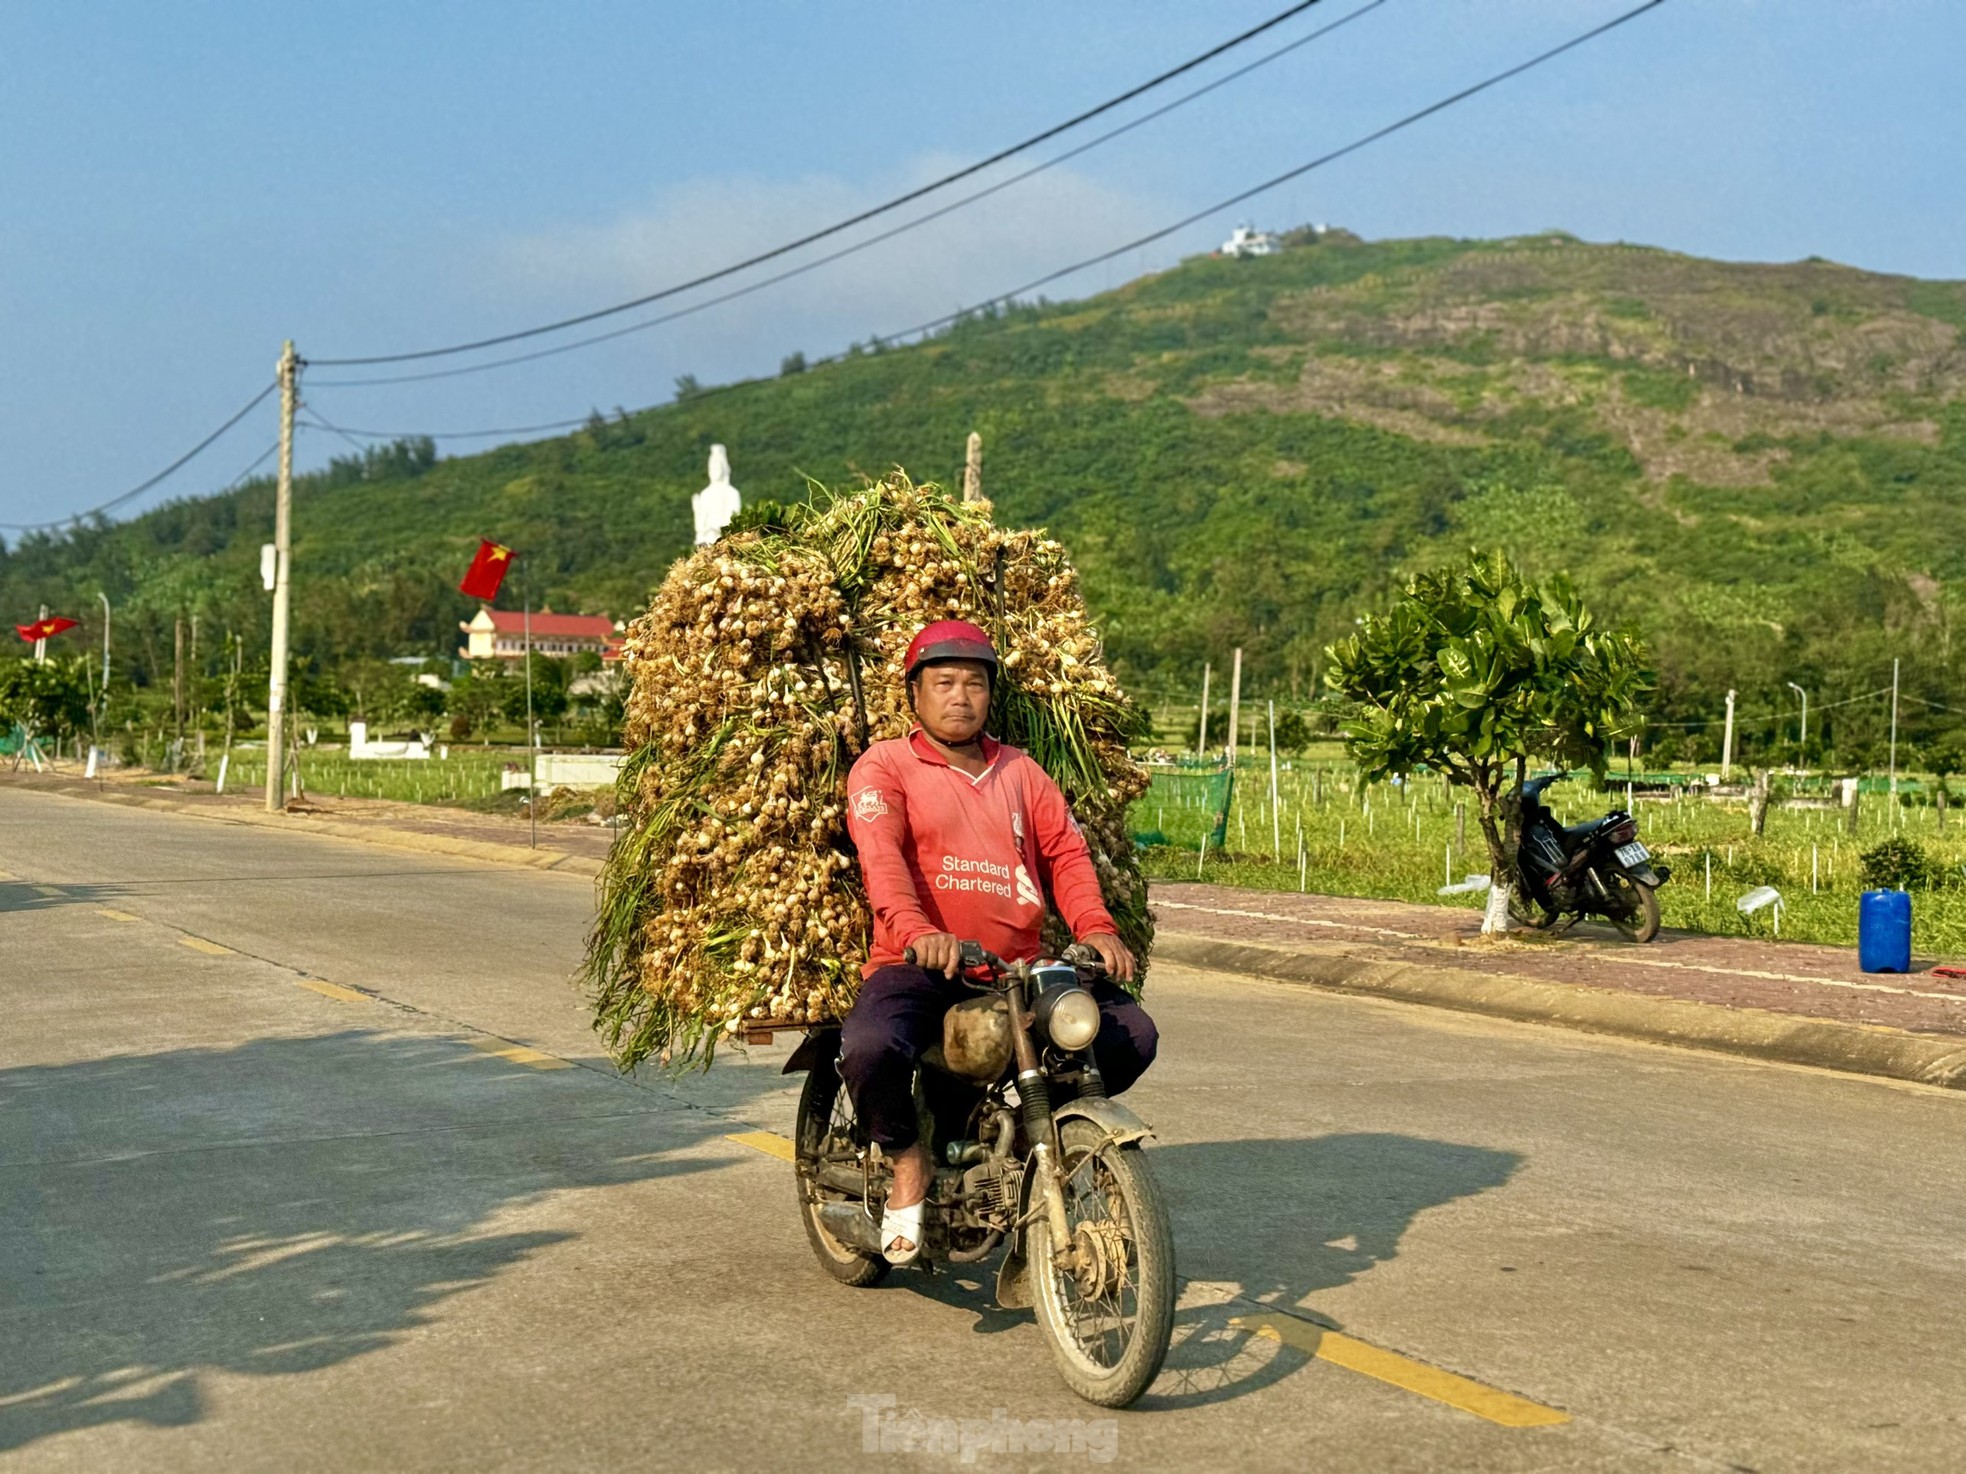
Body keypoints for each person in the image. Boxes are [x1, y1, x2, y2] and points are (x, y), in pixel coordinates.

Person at [839, 619, 1157, 1265]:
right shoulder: (886, 766)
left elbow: (1066, 853)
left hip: (1018, 967)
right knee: (870, 1048)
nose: (960, 696)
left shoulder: (1022, 772)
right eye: (945, 682)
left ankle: (1041, 1153)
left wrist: (1097, 927)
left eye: (975, 684)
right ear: (915, 695)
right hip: (923, 964)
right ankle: (906, 1163)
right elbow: (882, 859)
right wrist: (919, 932)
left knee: (1131, 1036)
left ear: (991, 696)